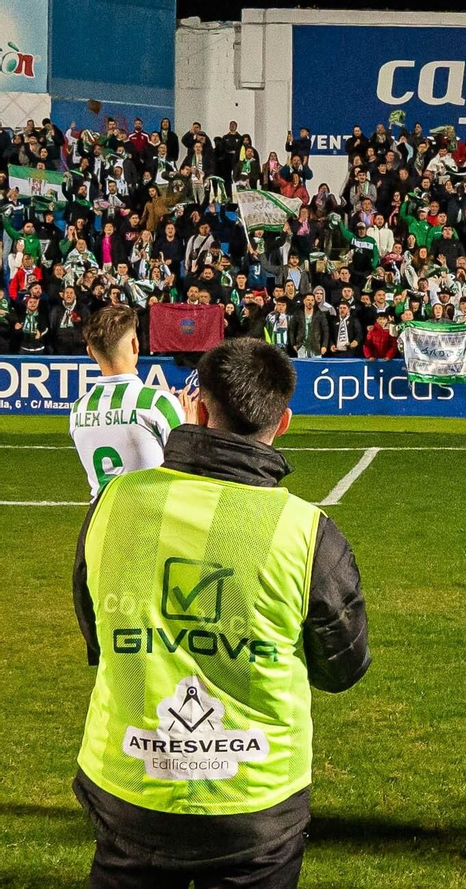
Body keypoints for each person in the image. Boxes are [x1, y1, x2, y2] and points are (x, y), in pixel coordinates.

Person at [72, 338, 370, 889]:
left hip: (129, 783)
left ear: (200, 411)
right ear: (283, 423)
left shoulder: (112, 502)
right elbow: (342, 668)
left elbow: (96, 631)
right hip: (255, 798)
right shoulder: (306, 532)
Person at [69, 304, 187, 497]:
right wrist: (191, 425)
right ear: (135, 344)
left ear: (90, 352)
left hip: (99, 514)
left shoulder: (78, 409)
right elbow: (191, 470)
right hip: (147, 514)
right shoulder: (158, 403)